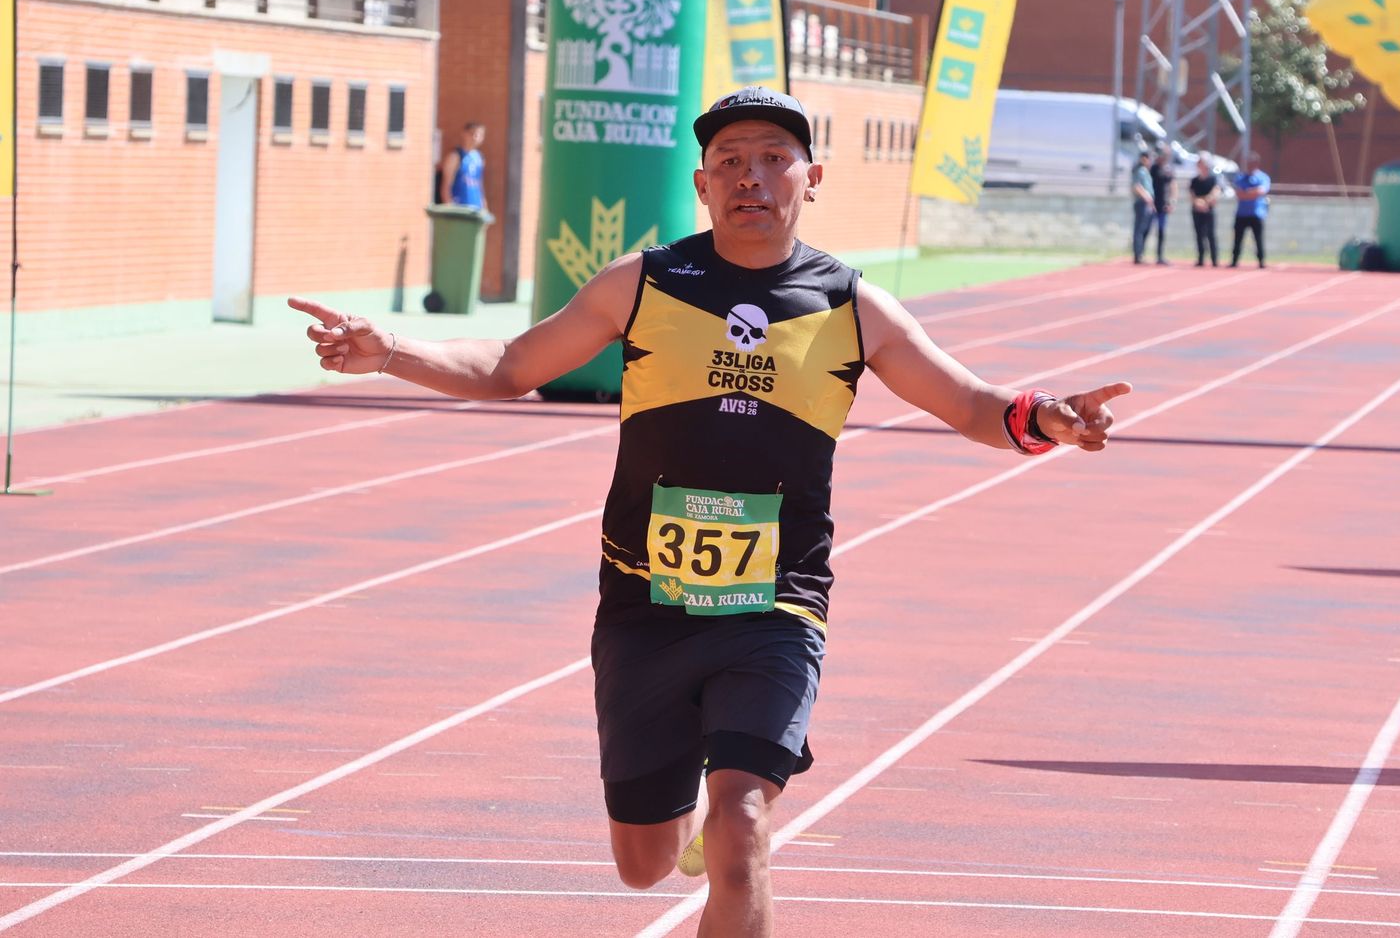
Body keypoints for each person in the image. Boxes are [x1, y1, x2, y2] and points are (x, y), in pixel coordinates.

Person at [289, 86, 1132, 938]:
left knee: (743, 832)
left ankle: (729, 795)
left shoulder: (851, 306)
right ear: (702, 184)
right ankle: (698, 782)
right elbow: (511, 363)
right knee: (643, 865)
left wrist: (1047, 417)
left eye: (774, 158)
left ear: (813, 177)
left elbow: (970, 404)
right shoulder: (648, 283)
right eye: (730, 162)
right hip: (644, 607)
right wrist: (393, 350)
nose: (751, 177)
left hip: (774, 606)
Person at [1230, 151, 1271, 268]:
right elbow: (1239, 194)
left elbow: (1261, 191)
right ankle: (1234, 260)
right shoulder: (1241, 177)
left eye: (1251, 163)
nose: (1249, 165)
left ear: (1257, 163)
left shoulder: (1263, 177)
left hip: (1256, 214)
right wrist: (1252, 193)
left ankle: (1261, 261)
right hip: (1241, 213)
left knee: (1258, 239)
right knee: (1237, 239)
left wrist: (1247, 193)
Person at [437, 121, 488, 212]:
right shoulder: (455, 156)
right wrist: (449, 207)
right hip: (459, 209)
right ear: (464, 134)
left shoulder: (480, 158)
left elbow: (479, 184)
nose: (475, 137)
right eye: (472, 133)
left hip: (475, 209)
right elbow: (446, 186)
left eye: (479, 135)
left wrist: (484, 207)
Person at [1189, 155, 1220, 267]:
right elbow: (1192, 195)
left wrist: (1205, 202)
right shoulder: (1194, 180)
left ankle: (1214, 259)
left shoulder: (1212, 179)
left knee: (1210, 234)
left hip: (1209, 210)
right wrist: (1198, 203)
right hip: (1197, 210)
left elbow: (1215, 192)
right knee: (1199, 235)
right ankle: (1201, 258)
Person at [1130, 148, 1157, 264]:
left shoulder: (1146, 171)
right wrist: (1147, 198)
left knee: (1145, 229)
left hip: (1147, 203)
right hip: (1142, 202)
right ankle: (1138, 254)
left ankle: (1140, 253)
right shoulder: (1140, 171)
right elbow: (1137, 186)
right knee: (1140, 229)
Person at [1148, 144, 1173, 265]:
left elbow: (1172, 185)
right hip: (1152, 204)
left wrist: (1171, 201)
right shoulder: (1153, 169)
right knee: (1146, 229)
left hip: (1163, 205)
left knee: (1161, 231)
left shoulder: (1167, 170)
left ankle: (1159, 255)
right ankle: (1139, 253)